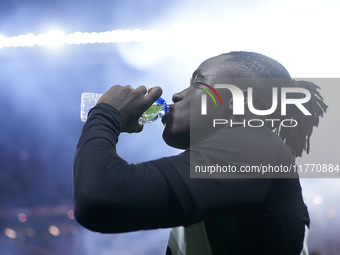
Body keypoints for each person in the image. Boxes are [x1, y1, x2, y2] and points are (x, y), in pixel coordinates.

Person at [73, 51, 327, 255]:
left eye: (198, 83)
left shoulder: (254, 146)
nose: (177, 95)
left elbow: (99, 198)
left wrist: (107, 114)